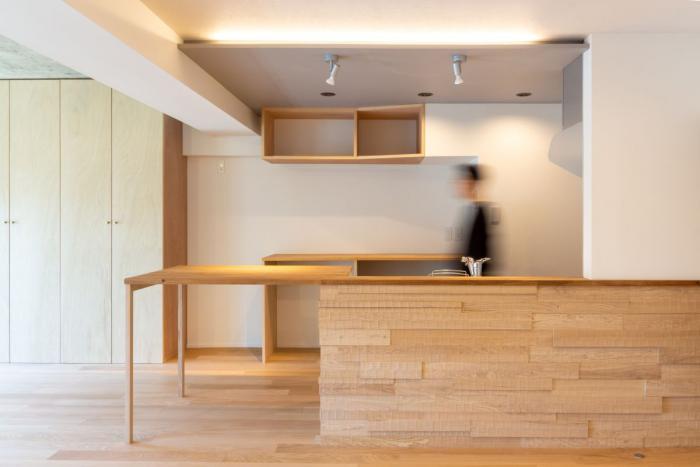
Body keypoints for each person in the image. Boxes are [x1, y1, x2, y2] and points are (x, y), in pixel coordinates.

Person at [455, 164, 490, 273]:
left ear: (472, 183)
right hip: (469, 274)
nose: (460, 184)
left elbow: (481, 253)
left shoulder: (481, 211)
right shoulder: (470, 208)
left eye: (464, 180)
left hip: (475, 276)